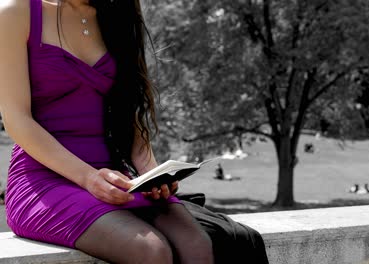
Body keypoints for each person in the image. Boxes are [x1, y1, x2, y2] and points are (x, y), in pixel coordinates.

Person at [0, 1, 215, 263]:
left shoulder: (119, 12)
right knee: (150, 251)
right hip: (43, 182)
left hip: (116, 181)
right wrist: (88, 178)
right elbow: (16, 118)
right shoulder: (15, 13)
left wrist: (152, 174)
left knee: (196, 245)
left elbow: (128, 112)